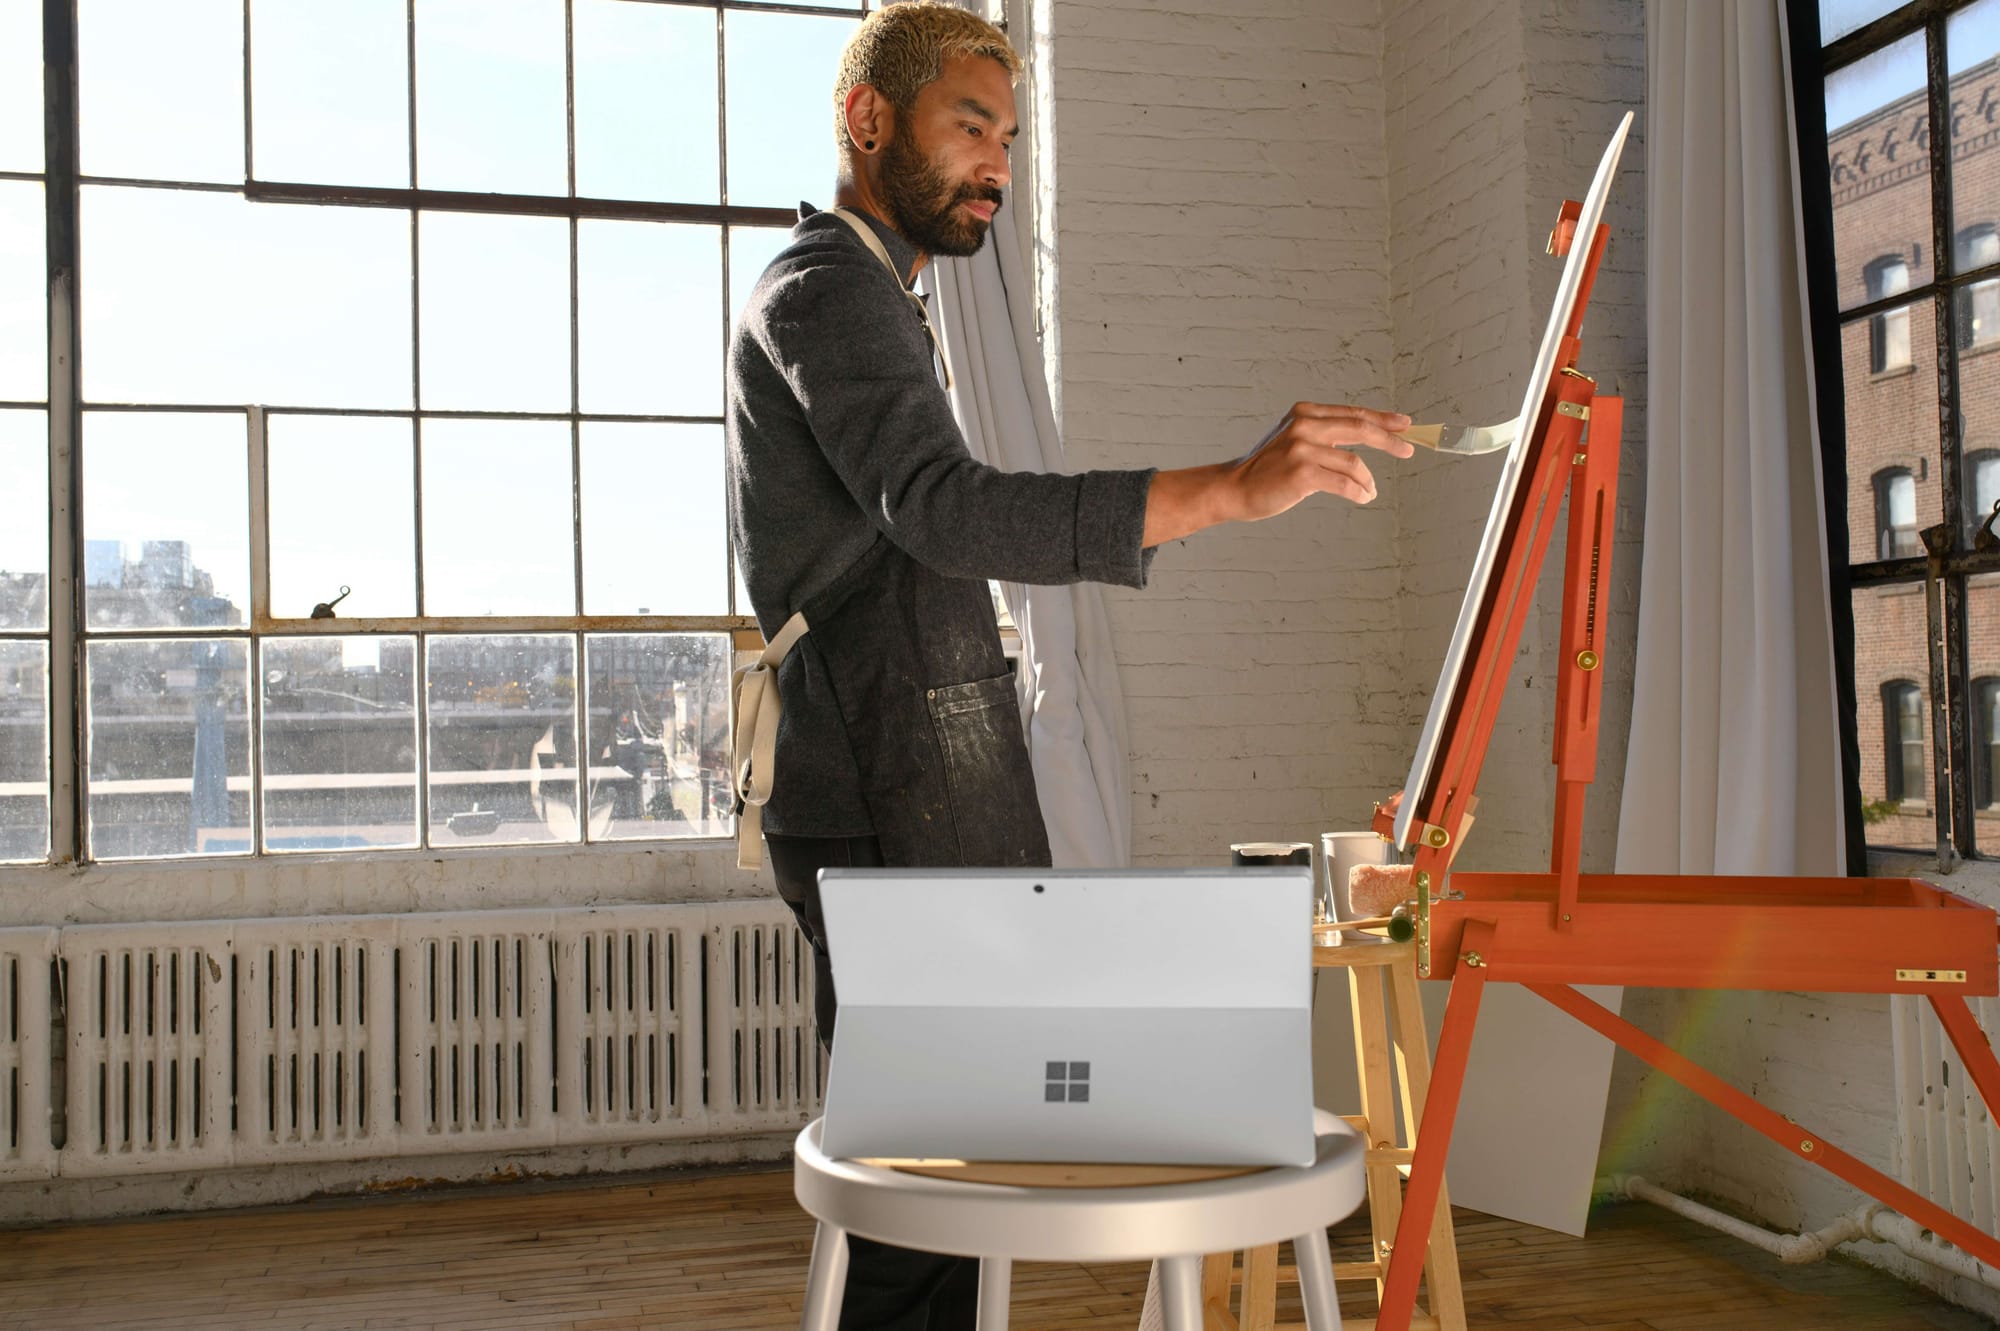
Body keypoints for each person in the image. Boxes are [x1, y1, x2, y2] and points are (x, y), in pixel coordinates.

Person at [723, 5, 1410, 1327]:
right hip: (877, 778)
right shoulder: (826, 288)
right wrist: (1230, 491)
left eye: (1012, 140)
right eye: (969, 128)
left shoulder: (878, 294)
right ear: (867, 120)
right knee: (928, 1193)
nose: (997, 165)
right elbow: (944, 507)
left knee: (951, 1177)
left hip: (923, 772)